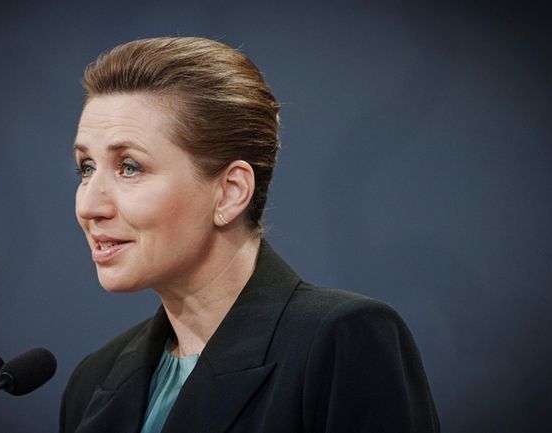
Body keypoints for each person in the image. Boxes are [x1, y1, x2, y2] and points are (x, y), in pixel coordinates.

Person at [60, 36, 439, 433]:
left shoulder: (341, 342)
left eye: (129, 167)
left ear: (230, 191)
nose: (89, 206)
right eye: (86, 168)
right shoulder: (92, 381)